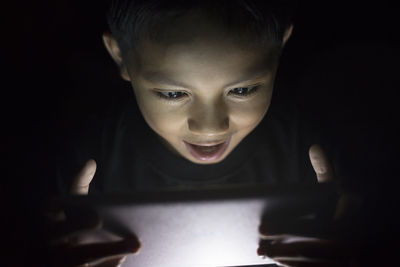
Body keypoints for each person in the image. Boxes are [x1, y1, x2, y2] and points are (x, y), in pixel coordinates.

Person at [32, 0, 389, 266]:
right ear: (120, 57)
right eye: (173, 94)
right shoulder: (87, 158)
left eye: (243, 90)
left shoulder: (317, 147)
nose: (211, 127)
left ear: (281, 47)